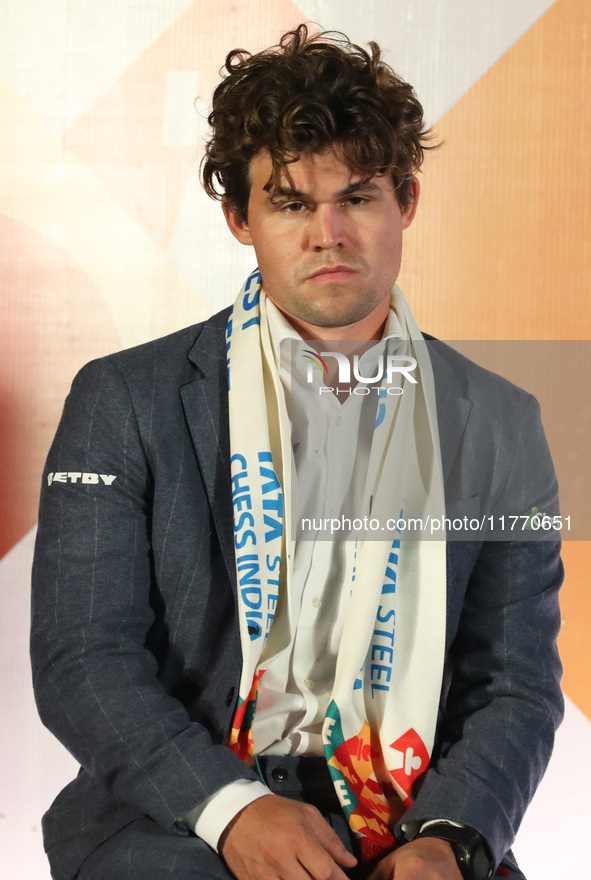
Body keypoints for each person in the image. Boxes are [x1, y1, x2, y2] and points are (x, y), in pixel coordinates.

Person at [31, 24, 563, 880]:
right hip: (179, 821)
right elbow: (82, 661)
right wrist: (232, 811)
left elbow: (515, 683)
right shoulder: (122, 399)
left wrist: (453, 838)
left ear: (406, 204)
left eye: (356, 196)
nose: (329, 233)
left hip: (411, 823)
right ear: (240, 218)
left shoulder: (502, 420)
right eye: (290, 203)